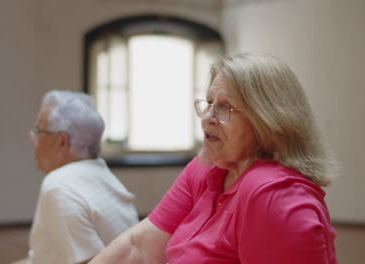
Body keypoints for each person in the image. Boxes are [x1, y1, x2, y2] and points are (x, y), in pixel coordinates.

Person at [88, 52, 338, 264]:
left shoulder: (273, 194)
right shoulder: (206, 168)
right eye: (208, 102)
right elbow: (139, 246)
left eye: (225, 107)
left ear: (267, 121)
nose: (208, 117)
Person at [20, 90, 138, 264]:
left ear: (61, 141)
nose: (33, 139)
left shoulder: (59, 186)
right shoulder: (104, 176)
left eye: (39, 131)